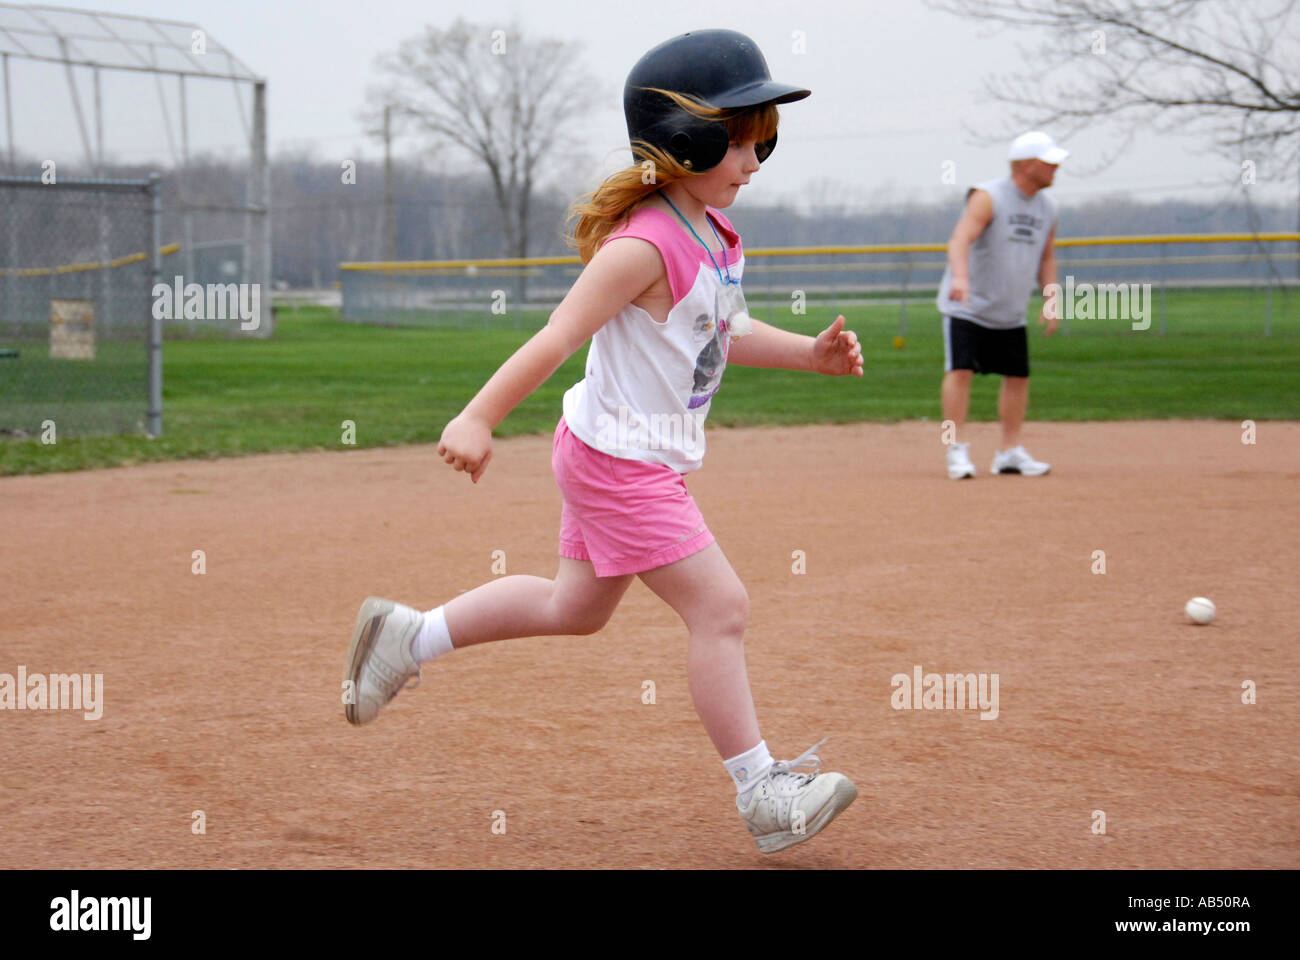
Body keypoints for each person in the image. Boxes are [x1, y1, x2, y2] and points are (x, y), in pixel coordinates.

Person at [342, 29, 864, 854]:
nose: (753, 158)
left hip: (618, 453)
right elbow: (556, 337)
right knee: (721, 608)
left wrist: (808, 354)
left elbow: (723, 331)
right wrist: (477, 416)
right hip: (623, 462)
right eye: (735, 138)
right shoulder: (643, 244)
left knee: (573, 608)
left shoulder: (715, 238)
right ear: (681, 140)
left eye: (761, 137)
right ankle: (762, 790)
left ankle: (409, 635)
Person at [935, 130, 1065, 479]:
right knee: (961, 371)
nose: (1057, 168)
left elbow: (1047, 257)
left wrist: (1051, 297)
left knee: (1018, 377)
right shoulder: (989, 195)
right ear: (1027, 164)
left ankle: (1009, 452)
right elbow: (960, 239)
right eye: (1050, 162)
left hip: (1010, 310)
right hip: (968, 306)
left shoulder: (1048, 207)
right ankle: (956, 450)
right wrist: (960, 278)